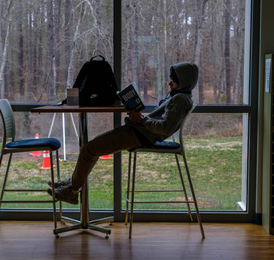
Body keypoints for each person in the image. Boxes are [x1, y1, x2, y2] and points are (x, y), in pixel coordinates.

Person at [47, 62, 198, 204]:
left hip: (139, 134)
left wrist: (141, 121)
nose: (169, 83)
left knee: (89, 149)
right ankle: (73, 183)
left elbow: (166, 128)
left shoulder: (179, 99)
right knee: (90, 150)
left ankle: (72, 191)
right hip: (139, 131)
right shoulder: (180, 97)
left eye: (174, 80)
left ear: (184, 82)